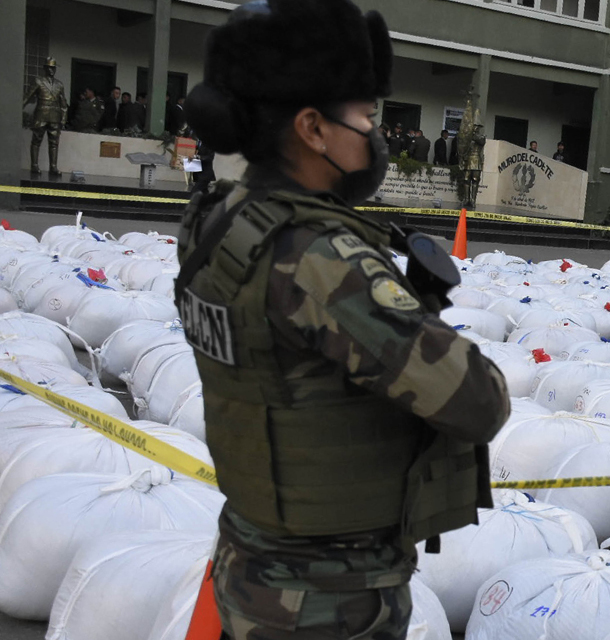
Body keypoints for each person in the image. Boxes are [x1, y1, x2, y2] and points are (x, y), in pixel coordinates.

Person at [180, 0, 511, 636]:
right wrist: (414, 310)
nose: (374, 135)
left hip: (249, 564)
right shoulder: (322, 260)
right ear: (312, 128)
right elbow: (479, 401)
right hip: (328, 599)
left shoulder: (218, 222)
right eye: (364, 116)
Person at [22, 57, 68, 176]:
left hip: (54, 116)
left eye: (53, 68)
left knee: (54, 143)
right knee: (36, 141)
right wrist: (17, 110)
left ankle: (53, 167)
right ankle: (34, 166)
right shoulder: (38, 81)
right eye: (49, 67)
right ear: (44, 68)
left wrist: (63, 118)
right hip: (41, 114)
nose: (51, 70)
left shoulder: (59, 84)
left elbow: (63, 104)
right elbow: (27, 97)